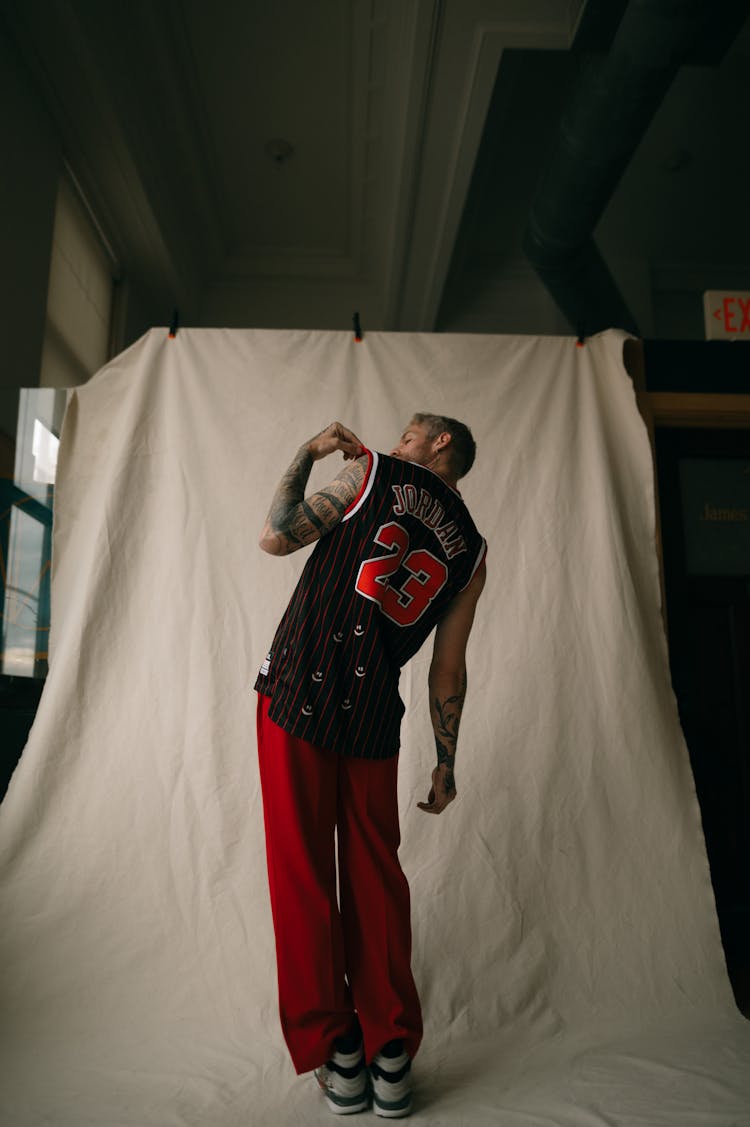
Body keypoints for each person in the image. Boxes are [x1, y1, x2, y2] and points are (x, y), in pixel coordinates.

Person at [255, 414, 486, 1117]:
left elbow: (274, 536)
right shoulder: (473, 552)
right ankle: (390, 1058)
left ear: (441, 443)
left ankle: (339, 1055)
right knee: (375, 877)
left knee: (302, 871)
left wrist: (305, 451)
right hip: (373, 718)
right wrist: (446, 763)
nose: (402, 437)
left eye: (414, 431)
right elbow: (448, 668)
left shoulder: (371, 472)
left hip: (298, 690)